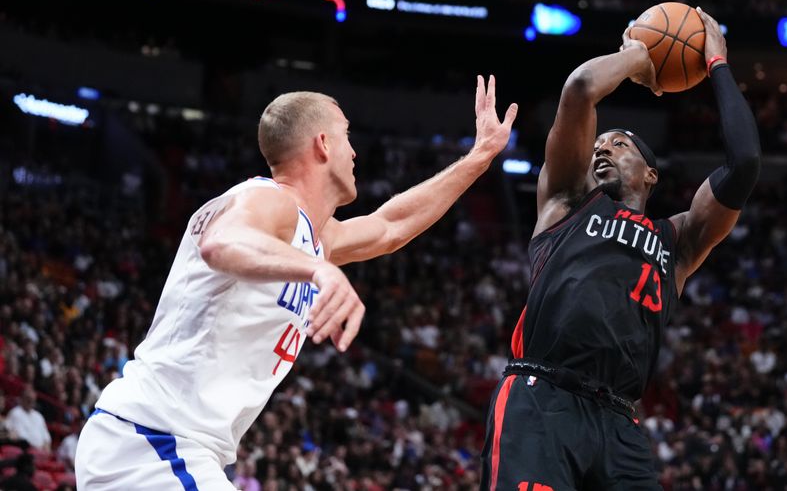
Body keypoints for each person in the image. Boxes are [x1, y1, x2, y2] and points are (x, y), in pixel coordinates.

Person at [76, 77, 518, 490]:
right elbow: (221, 241)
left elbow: (390, 227)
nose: (355, 152)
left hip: (172, 446)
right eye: (346, 135)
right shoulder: (268, 199)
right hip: (151, 441)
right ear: (323, 144)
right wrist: (319, 270)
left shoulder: (311, 233)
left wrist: (480, 157)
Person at [481, 8, 760, 490]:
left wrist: (716, 64)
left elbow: (746, 164)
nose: (601, 149)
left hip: (619, 423)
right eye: (599, 145)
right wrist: (637, 54)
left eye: (619, 144)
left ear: (651, 174)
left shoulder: (679, 240)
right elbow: (580, 89)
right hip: (541, 396)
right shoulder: (567, 201)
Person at [5, 386, 51, 452]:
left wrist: (45, 450)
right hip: (25, 451)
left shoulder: (39, 416)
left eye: (32, 399)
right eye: (28, 399)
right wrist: (35, 449)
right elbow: (20, 436)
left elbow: (46, 438)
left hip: (41, 452)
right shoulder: (15, 413)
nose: (30, 401)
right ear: (22, 398)